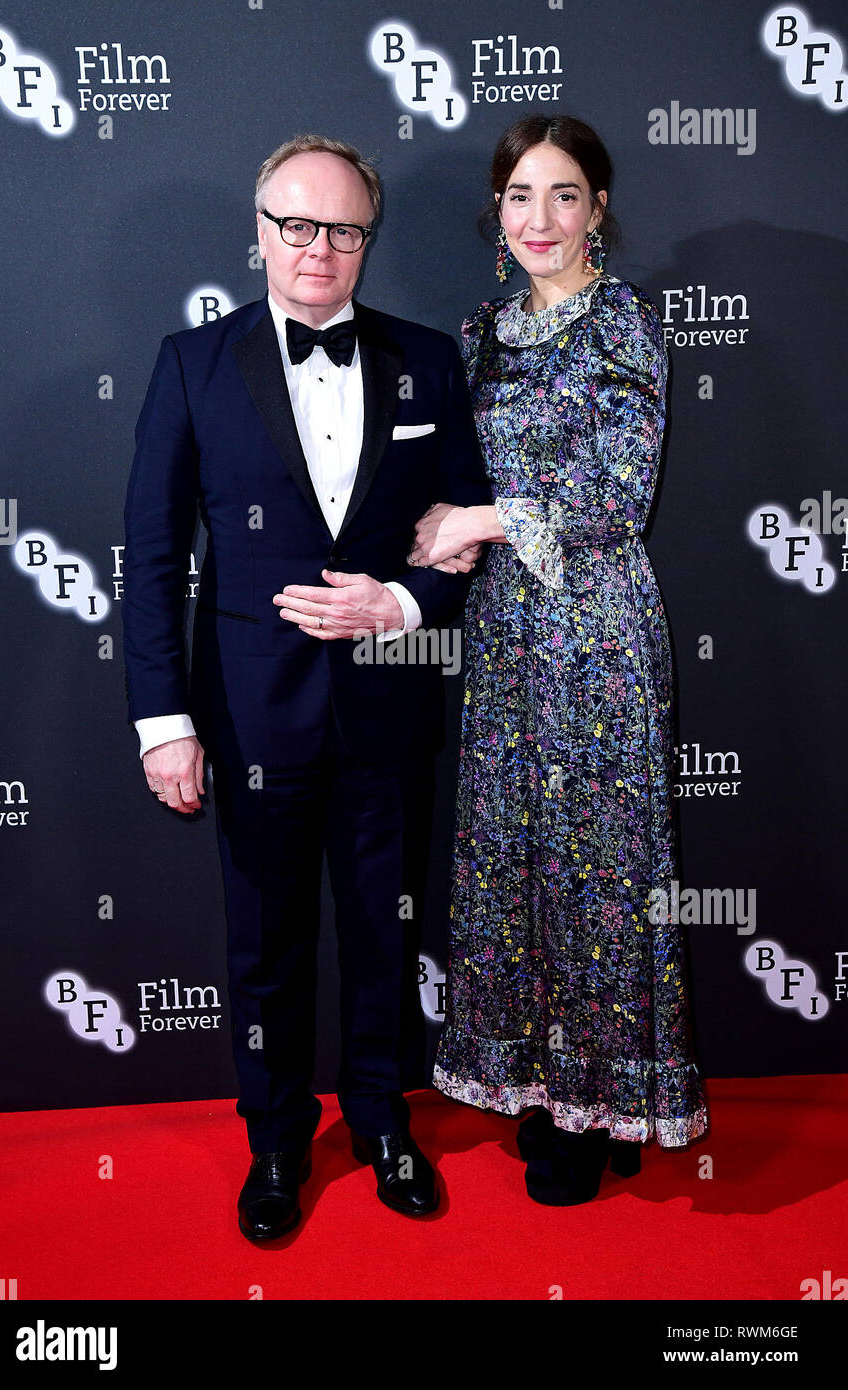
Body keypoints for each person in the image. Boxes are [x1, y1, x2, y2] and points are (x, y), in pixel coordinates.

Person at [122, 133, 492, 1241]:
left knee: (383, 928)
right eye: (295, 223)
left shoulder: (430, 360)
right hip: (246, 711)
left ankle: (382, 1121)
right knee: (268, 940)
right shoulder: (192, 362)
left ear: (368, 241)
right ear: (259, 232)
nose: (317, 246)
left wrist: (403, 604)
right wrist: (161, 719)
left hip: (386, 702)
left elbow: (466, 533)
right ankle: (276, 1137)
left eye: (341, 227)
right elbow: (148, 553)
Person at [408, 114, 708, 1205]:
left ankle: (607, 1100)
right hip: (501, 636)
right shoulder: (477, 334)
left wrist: (478, 518)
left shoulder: (625, 323)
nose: (541, 217)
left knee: (604, 865)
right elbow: (435, 486)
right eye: (521, 195)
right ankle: (549, 1085)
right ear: (498, 211)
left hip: (597, 633)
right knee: (513, 860)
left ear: (599, 209)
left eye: (564, 194)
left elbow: (619, 499)